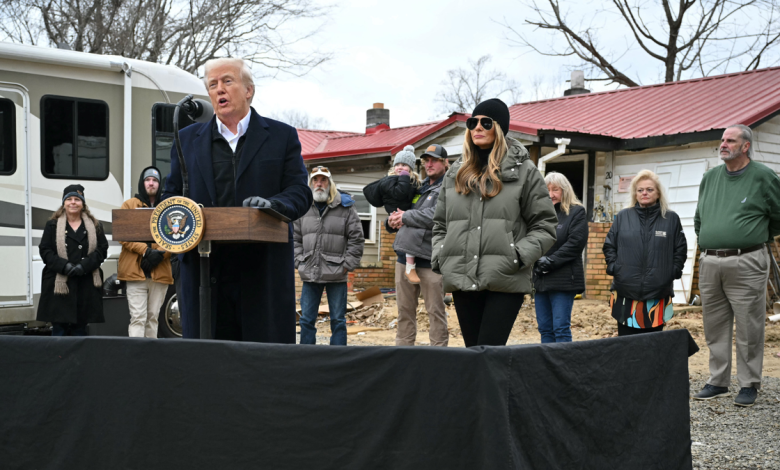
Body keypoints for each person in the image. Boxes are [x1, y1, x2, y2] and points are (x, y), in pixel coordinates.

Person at [163, 57, 312, 343]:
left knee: (261, 364)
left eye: (227, 81)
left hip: (261, 271)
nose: (219, 89)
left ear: (248, 90)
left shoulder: (281, 136)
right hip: (204, 271)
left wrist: (273, 207)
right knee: (209, 365)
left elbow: (299, 191)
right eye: (213, 84)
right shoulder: (186, 139)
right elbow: (172, 195)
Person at [432, 99, 557, 347]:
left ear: (499, 128)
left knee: (490, 353)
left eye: (485, 122)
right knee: (473, 352)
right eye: (472, 122)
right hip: (462, 277)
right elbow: (439, 226)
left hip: (504, 277)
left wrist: (516, 256)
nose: (477, 127)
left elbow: (545, 226)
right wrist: (441, 256)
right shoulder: (455, 173)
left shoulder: (525, 171)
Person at [692, 124, 780, 407]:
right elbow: (699, 218)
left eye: (730, 140)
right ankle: (718, 381)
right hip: (710, 260)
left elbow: (778, 216)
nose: (723, 144)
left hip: (748, 260)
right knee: (714, 325)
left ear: (746, 146)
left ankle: (749, 383)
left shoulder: (764, 177)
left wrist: (755, 236)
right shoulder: (710, 177)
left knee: (748, 324)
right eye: (722, 140)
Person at [603, 170, 687, 337]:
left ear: (658, 193)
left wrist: (672, 271)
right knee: (626, 346)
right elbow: (609, 246)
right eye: (640, 190)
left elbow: (680, 249)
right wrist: (615, 268)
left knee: (652, 346)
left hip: (657, 295)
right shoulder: (623, 217)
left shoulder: (670, 219)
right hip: (626, 294)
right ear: (635, 193)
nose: (644, 193)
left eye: (649, 189)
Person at [387, 144, 450, 347]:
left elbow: (437, 216)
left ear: (445, 162)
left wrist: (406, 216)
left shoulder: (450, 187)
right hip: (404, 258)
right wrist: (394, 219)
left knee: (435, 311)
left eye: (434, 160)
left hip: (430, 260)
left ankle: (439, 359)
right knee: (404, 311)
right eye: (426, 160)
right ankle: (403, 357)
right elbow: (405, 212)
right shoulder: (418, 187)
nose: (429, 164)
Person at [294, 166, 364, 345]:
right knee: (307, 320)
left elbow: (357, 238)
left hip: (337, 273)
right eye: (315, 180)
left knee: (338, 321)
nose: (319, 184)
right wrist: (299, 261)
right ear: (310, 184)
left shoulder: (345, 207)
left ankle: (338, 359)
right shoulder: (303, 207)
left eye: (323, 180)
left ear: (330, 183)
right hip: (310, 272)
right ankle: (306, 358)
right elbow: (295, 238)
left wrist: (347, 264)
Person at [37, 185, 108, 336]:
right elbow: (45, 251)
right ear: (64, 203)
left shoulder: (95, 226)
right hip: (59, 284)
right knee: (59, 330)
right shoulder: (52, 225)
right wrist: (64, 266)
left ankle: (79, 360)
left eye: (77, 199)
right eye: (69, 199)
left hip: (85, 282)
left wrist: (84, 266)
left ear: (83, 203)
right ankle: (59, 359)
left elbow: (102, 250)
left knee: (80, 329)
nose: (73, 202)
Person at [533, 172, 588, 343]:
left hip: (564, 279)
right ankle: (547, 368)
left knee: (560, 328)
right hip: (541, 279)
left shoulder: (576, 212)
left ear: (565, 190)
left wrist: (550, 261)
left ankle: (564, 367)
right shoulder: (539, 214)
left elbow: (575, 243)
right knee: (545, 329)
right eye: (547, 190)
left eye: (555, 190)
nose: (551, 194)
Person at [118, 167, 173, 338]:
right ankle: (136, 359)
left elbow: (175, 238)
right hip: (135, 272)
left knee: (153, 318)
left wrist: (160, 254)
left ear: (159, 184)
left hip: (160, 271)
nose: (151, 183)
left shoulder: (167, 207)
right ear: (142, 183)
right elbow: (123, 235)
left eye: (155, 180)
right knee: (138, 318)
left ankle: (150, 358)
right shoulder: (129, 205)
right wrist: (146, 252)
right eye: (148, 180)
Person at [363, 145, 422, 282]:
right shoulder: (390, 181)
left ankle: (410, 266)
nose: (400, 167)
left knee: (409, 238)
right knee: (408, 238)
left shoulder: (413, 183)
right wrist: (404, 177)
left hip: (406, 216)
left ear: (412, 168)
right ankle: (410, 267)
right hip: (396, 215)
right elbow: (400, 193)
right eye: (398, 164)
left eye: (405, 165)